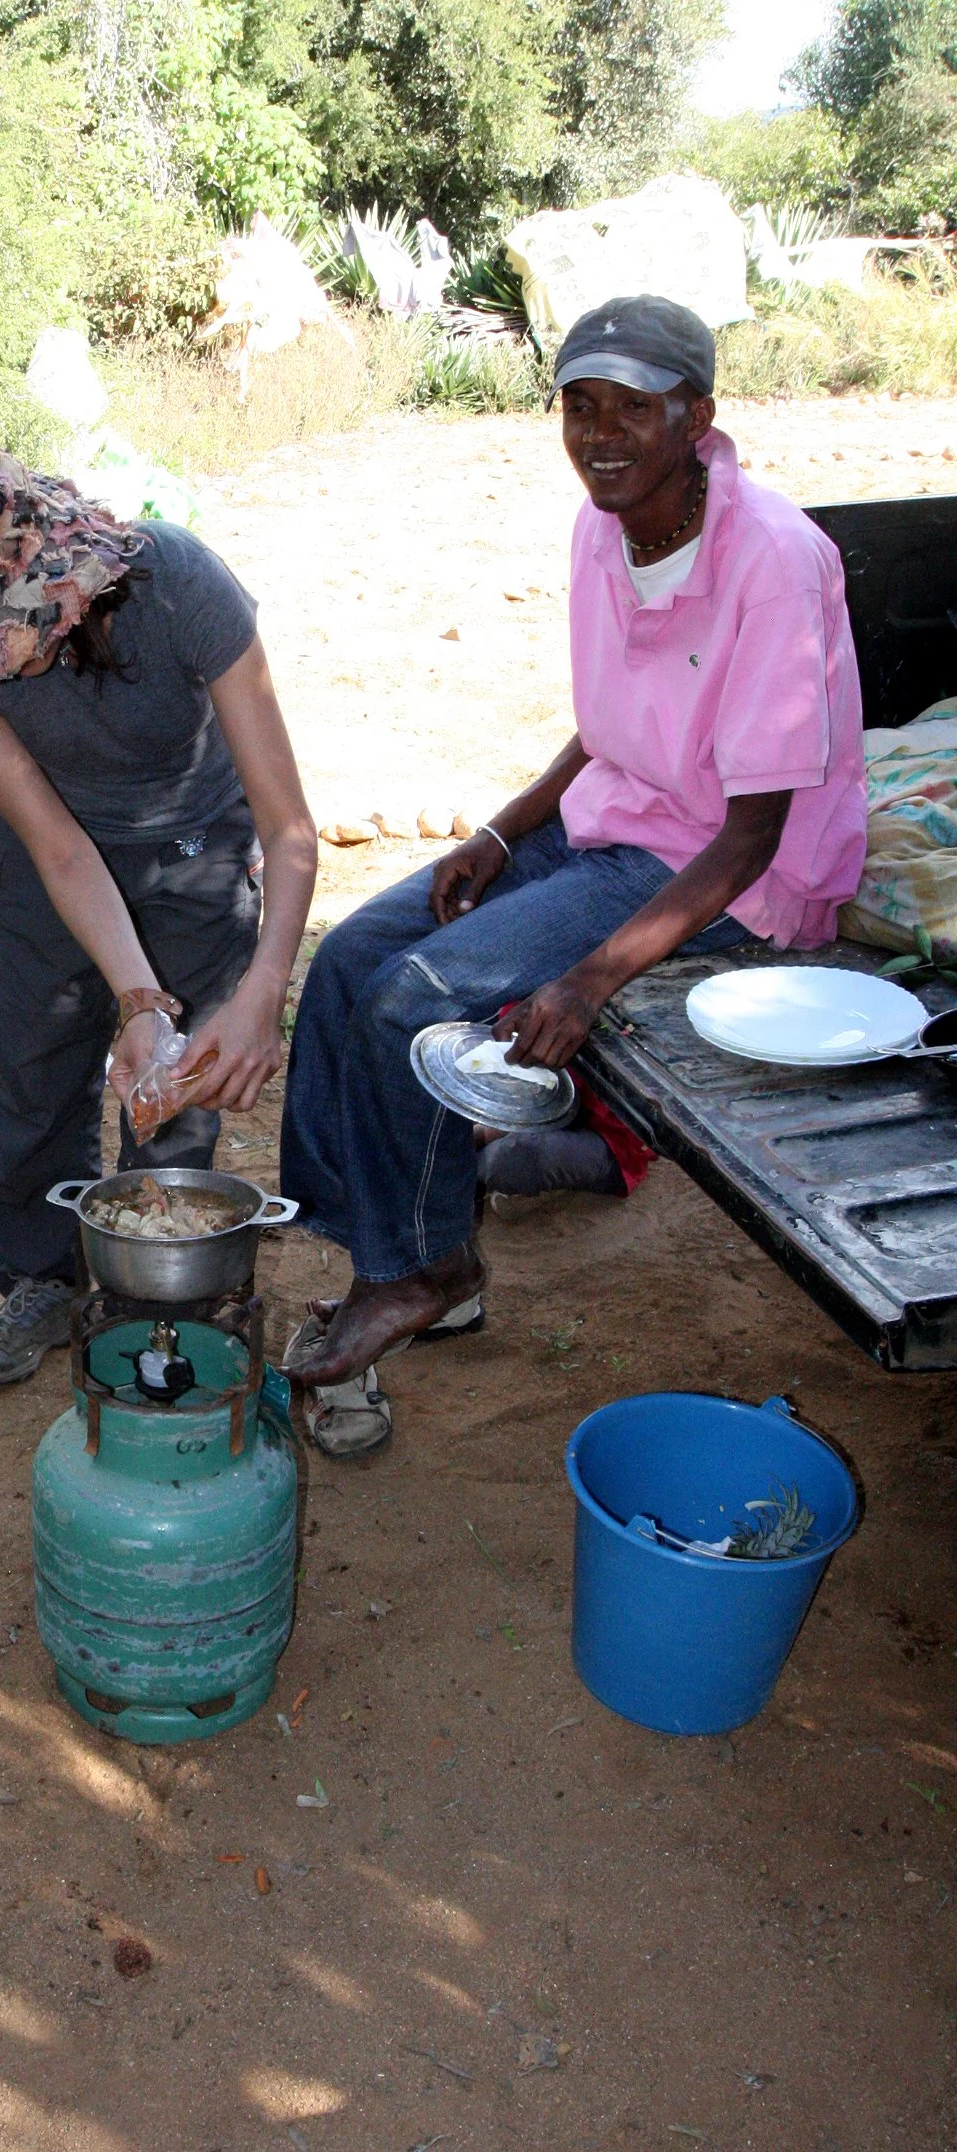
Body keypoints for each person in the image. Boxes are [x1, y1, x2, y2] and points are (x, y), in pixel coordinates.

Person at [281, 294, 865, 1389]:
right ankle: (396, 1246)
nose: (597, 436)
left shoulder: (773, 559)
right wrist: (504, 830)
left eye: (630, 409)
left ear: (695, 415)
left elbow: (751, 832)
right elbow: (606, 725)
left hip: (727, 875)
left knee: (414, 993)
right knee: (351, 957)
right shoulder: (605, 527)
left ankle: (419, 1274)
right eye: (577, 405)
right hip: (618, 823)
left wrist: (592, 979)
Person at [0, 441, 317, 1385]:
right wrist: (137, 999)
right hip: (44, 866)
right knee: (32, 1074)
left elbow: (289, 829)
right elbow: (59, 844)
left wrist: (260, 991)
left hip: (194, 849)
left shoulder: (179, 584)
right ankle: (41, 1278)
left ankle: (162, 1297)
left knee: (176, 1095)